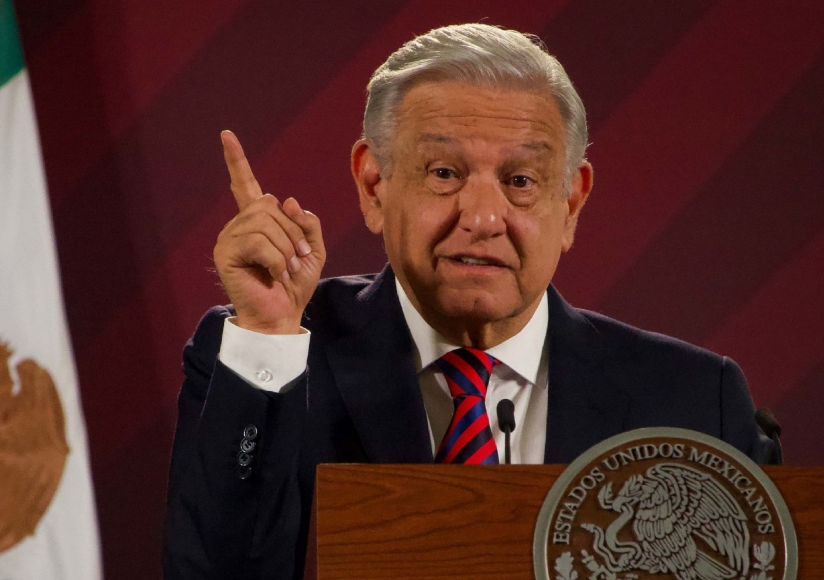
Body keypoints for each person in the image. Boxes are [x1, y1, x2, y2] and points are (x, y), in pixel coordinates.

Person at [164, 23, 777, 580]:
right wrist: (268, 336)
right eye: (443, 173)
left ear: (571, 204)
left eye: (520, 181)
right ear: (374, 185)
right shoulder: (267, 354)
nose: (483, 217)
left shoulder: (694, 401)